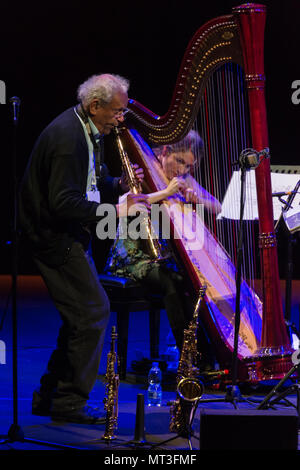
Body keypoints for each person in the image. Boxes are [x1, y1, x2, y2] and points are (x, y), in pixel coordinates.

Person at [18, 73, 148, 424]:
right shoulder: (68, 138)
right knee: (92, 312)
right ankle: (68, 403)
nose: (121, 119)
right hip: (53, 237)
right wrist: (118, 210)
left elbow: (91, 183)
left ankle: (50, 396)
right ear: (95, 105)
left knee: (80, 315)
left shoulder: (90, 130)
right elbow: (63, 202)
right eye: (117, 112)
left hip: (71, 233)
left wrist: (116, 185)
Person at [104, 130, 221, 365]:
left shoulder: (183, 179)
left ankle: (206, 355)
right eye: (179, 162)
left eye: (188, 166)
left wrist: (197, 198)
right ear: (165, 152)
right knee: (172, 279)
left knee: (189, 280)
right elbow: (125, 203)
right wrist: (166, 193)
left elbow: (217, 207)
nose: (182, 170)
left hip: (161, 258)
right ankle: (190, 358)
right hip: (132, 256)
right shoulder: (143, 169)